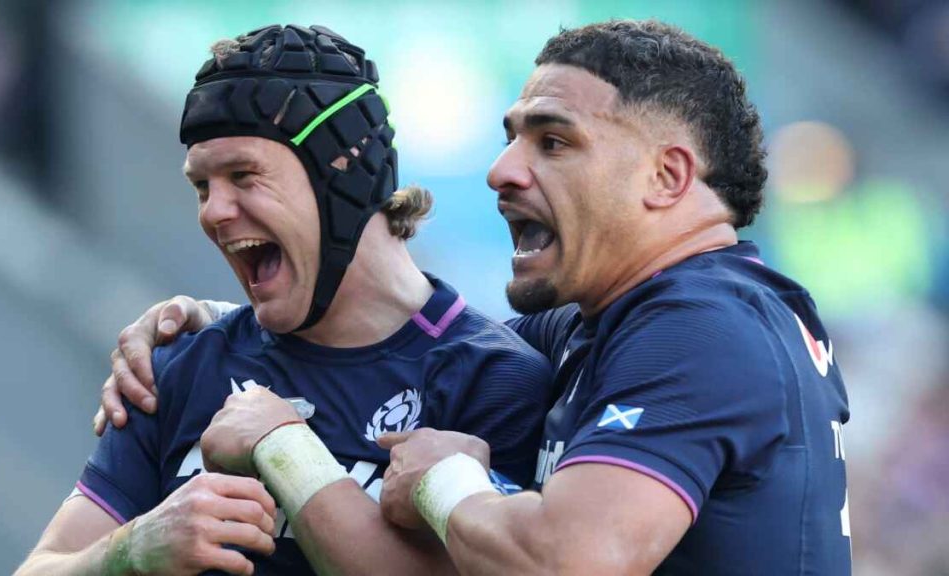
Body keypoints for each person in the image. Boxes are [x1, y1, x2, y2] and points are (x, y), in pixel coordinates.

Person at [101, 20, 852, 575]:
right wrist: (219, 323)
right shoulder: (617, 322)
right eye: (511, 138)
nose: (502, 171)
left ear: (667, 178)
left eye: (552, 143)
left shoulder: (701, 327)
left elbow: (568, 564)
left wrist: (434, 478)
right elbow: (409, 327)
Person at [16, 24, 551, 576]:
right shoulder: (178, 365)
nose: (213, 212)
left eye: (243, 175)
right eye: (202, 187)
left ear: (344, 170)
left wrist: (285, 450)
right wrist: (131, 549)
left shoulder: (494, 378)